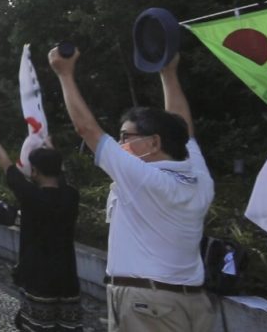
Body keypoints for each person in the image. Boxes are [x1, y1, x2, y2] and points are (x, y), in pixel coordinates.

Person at [50, 49, 214, 332]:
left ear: (153, 143)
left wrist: (64, 74)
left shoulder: (145, 179)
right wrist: (168, 74)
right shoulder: (198, 177)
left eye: (127, 137)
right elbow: (183, 130)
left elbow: (87, 129)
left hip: (147, 306)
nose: (120, 143)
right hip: (192, 302)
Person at [0, 117, 82, 331]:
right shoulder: (71, 196)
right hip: (68, 277)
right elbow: (61, 173)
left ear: (34, 171)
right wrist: (51, 148)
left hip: (38, 277)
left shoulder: (31, 196)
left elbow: (6, 164)